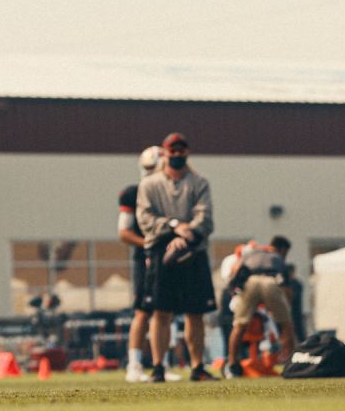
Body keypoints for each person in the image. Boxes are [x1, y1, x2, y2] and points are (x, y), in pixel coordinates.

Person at [136, 132, 217, 382]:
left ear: (187, 152)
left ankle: (197, 366)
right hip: (162, 250)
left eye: (182, 150)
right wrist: (173, 226)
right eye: (173, 151)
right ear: (165, 153)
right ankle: (158, 366)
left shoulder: (199, 183)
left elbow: (205, 218)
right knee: (161, 311)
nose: (177, 155)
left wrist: (186, 234)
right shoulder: (149, 184)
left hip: (193, 250)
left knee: (195, 312)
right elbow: (145, 218)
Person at [222, 241, 295, 378]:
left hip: (250, 281)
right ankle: (290, 364)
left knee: (239, 325)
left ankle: (232, 365)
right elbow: (286, 286)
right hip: (270, 282)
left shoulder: (252, 253)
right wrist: (286, 307)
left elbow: (235, 273)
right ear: (282, 249)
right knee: (286, 325)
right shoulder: (276, 256)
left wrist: (235, 295)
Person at [120, 145, 161, 382]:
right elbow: (124, 232)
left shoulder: (166, 194)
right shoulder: (133, 193)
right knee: (143, 312)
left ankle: (160, 365)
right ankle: (134, 365)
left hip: (165, 258)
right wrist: (149, 243)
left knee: (162, 313)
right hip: (145, 259)